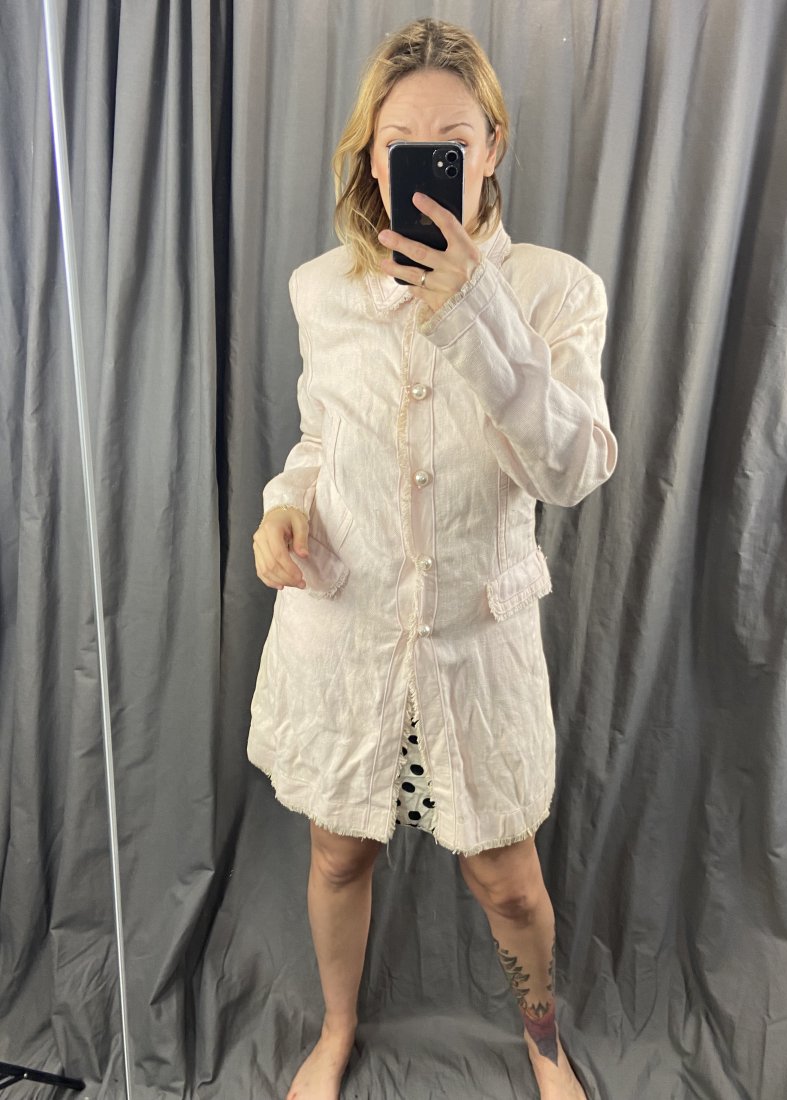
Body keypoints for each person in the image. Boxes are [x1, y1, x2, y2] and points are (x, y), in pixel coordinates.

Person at [249, 17, 617, 1100]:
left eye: (451, 141)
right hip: (345, 628)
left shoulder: (554, 290)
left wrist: (475, 312)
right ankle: (337, 1029)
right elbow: (319, 438)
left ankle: (543, 1042)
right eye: (401, 142)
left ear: (491, 146)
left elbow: (573, 467)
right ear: (372, 157)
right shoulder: (322, 290)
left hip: (474, 642)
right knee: (338, 852)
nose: (425, 160)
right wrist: (282, 510)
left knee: (508, 883)